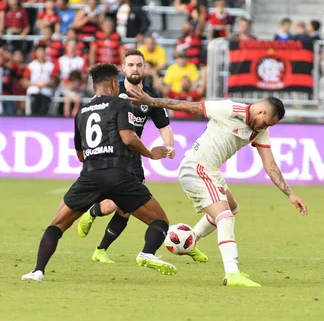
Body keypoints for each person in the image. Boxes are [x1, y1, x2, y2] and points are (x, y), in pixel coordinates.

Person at [125, 91, 308, 287]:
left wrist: (290, 193)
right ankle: (232, 272)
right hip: (196, 168)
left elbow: (270, 165)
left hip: (210, 170)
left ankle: (190, 240)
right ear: (262, 111)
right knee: (225, 216)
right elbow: (188, 106)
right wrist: (152, 102)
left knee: (232, 207)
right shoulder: (229, 109)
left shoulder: (260, 131)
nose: (266, 127)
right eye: (267, 123)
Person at [21, 63, 177, 282]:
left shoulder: (81, 112)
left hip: (91, 174)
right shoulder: (121, 104)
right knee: (159, 221)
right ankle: (147, 253)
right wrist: (151, 154)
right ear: (114, 84)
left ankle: (37, 271)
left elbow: (79, 154)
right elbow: (128, 137)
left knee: (56, 225)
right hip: (120, 174)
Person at [75, 49, 206, 264]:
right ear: (123, 68)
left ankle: (100, 250)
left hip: (134, 157)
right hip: (112, 156)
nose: (135, 68)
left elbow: (164, 125)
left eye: (139, 65)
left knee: (125, 209)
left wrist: (169, 145)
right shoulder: (113, 93)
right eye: (131, 65)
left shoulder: (148, 97)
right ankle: (92, 213)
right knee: (112, 206)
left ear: (144, 68)